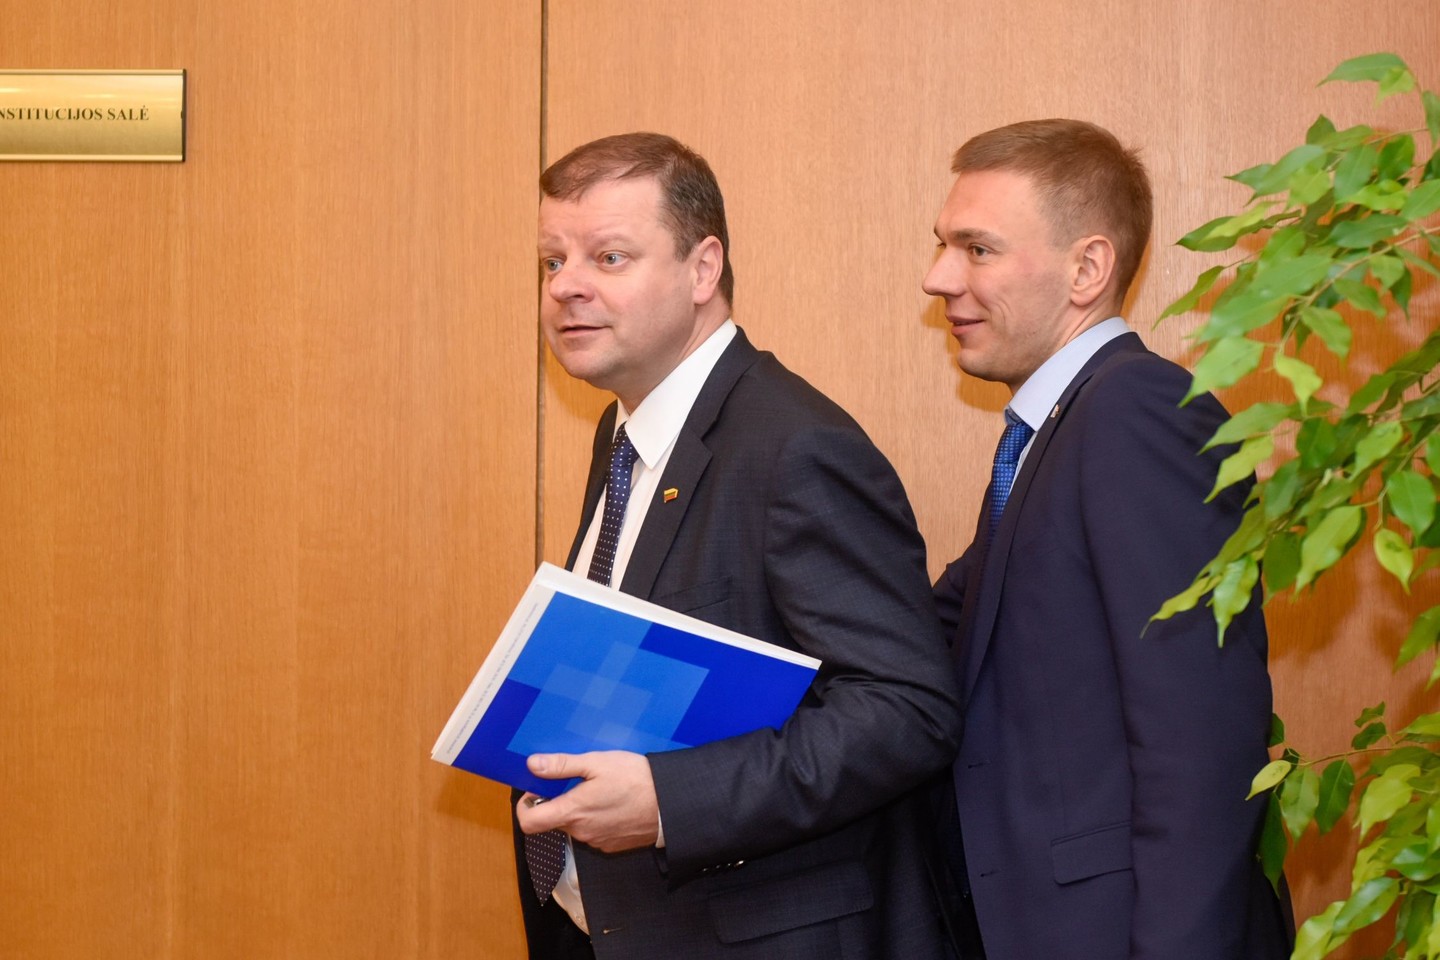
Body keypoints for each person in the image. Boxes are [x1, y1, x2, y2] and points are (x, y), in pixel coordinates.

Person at [511, 131, 962, 960]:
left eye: (608, 257)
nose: (566, 285)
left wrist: (669, 801)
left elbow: (907, 710)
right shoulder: (625, 435)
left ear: (703, 269)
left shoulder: (796, 446)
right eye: (552, 261)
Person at [922, 119, 1293, 959]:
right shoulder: (1053, 432)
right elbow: (936, 635)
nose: (937, 277)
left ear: (1087, 269)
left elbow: (1201, 746)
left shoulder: (1137, 412)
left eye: (977, 249)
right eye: (943, 246)